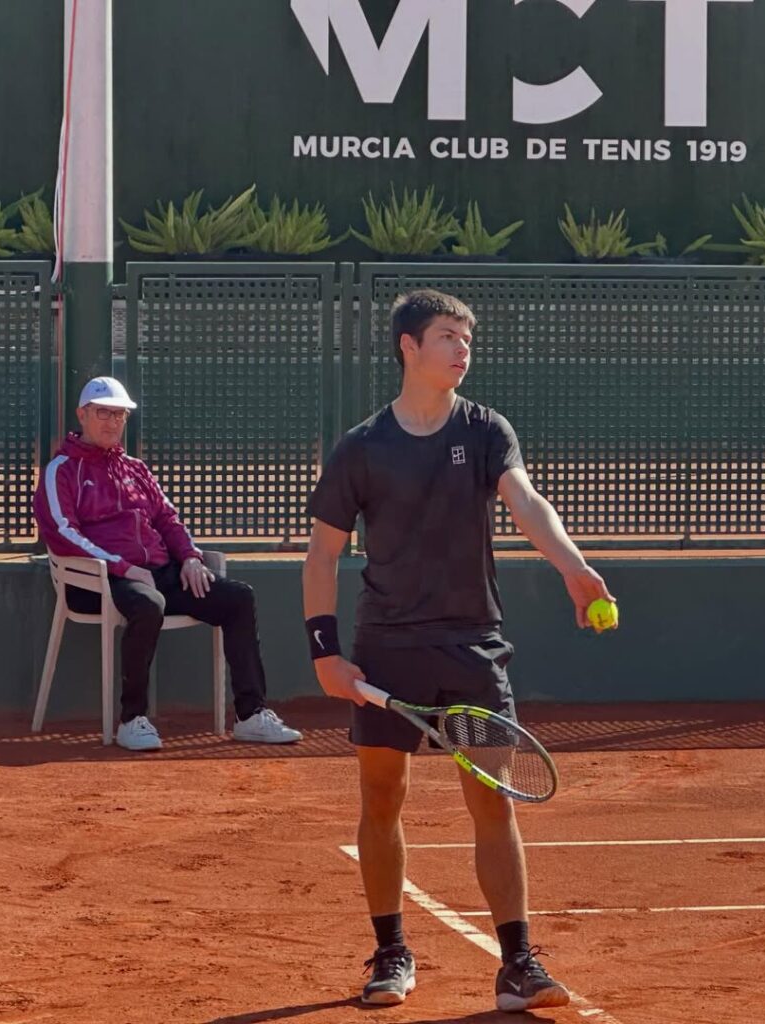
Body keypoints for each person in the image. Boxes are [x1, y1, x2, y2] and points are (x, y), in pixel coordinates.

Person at [302, 290, 615, 1010]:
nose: (462, 349)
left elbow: (527, 500)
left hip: (471, 651)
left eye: (467, 338)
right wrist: (325, 651)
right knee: (382, 798)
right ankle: (390, 953)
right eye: (447, 336)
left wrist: (572, 565)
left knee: (492, 800)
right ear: (409, 347)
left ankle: (517, 965)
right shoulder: (362, 447)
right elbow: (322, 555)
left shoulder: (485, 432)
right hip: (387, 653)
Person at [33, 376, 301, 751]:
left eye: (119, 415)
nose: (112, 422)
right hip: (101, 581)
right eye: (103, 413)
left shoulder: (136, 470)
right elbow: (62, 533)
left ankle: (251, 715)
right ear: (82, 414)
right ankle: (132, 719)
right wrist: (122, 567)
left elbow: (168, 520)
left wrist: (190, 558)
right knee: (148, 604)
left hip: (159, 572)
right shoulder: (60, 470)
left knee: (238, 598)